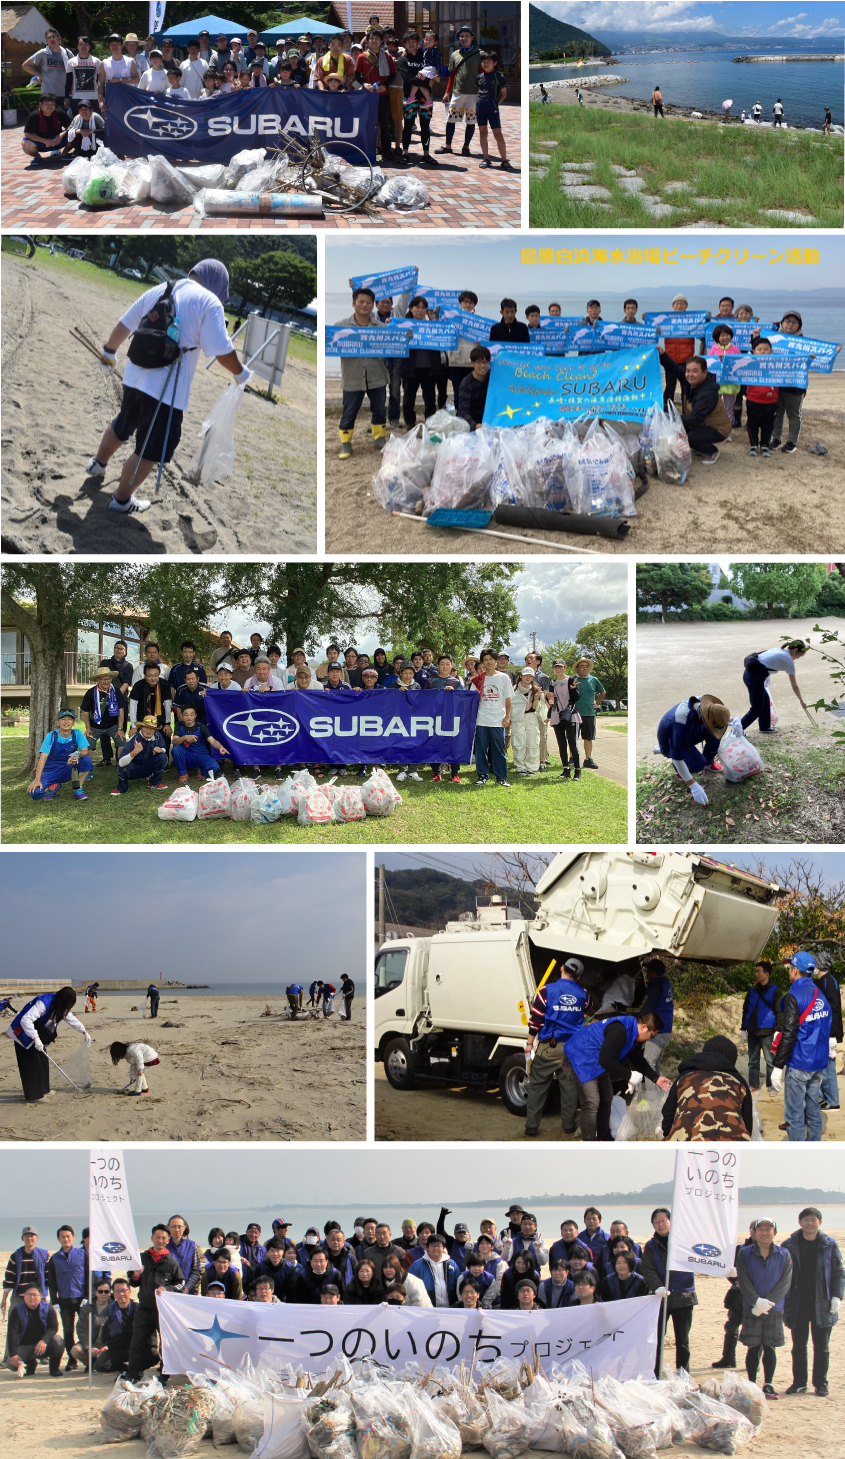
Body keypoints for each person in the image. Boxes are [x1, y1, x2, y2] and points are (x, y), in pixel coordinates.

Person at [89, 261, 250, 515]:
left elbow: (126, 323)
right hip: (164, 392)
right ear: (217, 285)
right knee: (149, 449)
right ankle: (121, 500)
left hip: (133, 376)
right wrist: (241, 373)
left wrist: (109, 352)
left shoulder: (162, 287)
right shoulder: (209, 302)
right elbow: (221, 350)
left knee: (123, 424)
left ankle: (98, 464)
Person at [565, 1011, 671, 1142]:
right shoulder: (620, 1031)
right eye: (651, 1035)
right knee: (591, 1102)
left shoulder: (634, 1034)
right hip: (580, 1056)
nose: (649, 1039)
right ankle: (590, 1142)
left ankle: (604, 1136)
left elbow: (637, 1058)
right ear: (644, 1027)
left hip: (597, 1059)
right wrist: (629, 1075)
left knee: (607, 1097)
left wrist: (656, 1078)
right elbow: (606, 1060)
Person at [782, 1206, 844, 1396]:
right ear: (800, 1222)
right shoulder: (789, 1245)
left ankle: (820, 1383)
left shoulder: (829, 1244)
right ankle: (799, 1382)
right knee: (798, 1346)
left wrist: (837, 1296)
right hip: (798, 1303)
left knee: (822, 1347)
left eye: (813, 1219)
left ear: (820, 1222)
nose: (809, 1223)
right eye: (806, 1220)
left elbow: (838, 1272)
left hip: (822, 1304)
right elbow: (781, 1274)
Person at [524, 958, 590, 1139]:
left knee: (537, 1086)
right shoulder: (583, 994)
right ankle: (568, 1126)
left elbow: (536, 1020)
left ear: (561, 968)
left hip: (549, 1048)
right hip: (572, 1049)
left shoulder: (545, 991)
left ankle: (531, 1126)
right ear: (578, 977)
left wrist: (529, 1044)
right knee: (569, 1087)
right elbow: (589, 1006)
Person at [772, 951, 833, 1142]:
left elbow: (789, 1034)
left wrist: (777, 1067)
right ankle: (813, 1151)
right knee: (813, 1109)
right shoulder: (819, 993)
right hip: (817, 1062)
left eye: (790, 968)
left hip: (799, 1063)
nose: (789, 971)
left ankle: (797, 1155)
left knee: (795, 1115)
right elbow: (825, 1023)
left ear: (795, 971)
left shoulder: (793, 996)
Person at [734, 1217, 792, 1397]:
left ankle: (768, 1384)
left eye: (768, 1229)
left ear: (774, 1232)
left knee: (770, 1347)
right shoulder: (744, 1253)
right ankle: (752, 1383)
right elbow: (742, 1279)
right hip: (751, 1307)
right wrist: (756, 1301)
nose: (764, 1233)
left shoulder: (784, 1254)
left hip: (774, 1309)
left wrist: (768, 1303)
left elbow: (785, 1281)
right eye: (760, 1229)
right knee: (753, 1346)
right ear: (754, 1232)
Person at [6, 987, 90, 1104]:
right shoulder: (44, 1003)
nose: (68, 1007)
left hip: (36, 1033)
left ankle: (44, 1089)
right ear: (63, 1000)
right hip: (22, 1033)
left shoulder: (60, 1005)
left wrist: (84, 1031)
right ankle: (34, 1096)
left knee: (43, 1061)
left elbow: (70, 1018)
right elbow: (26, 1020)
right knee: (32, 1064)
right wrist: (36, 1039)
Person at [662, 1035, 754, 1141]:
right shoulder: (739, 1082)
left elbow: (668, 1115)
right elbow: (748, 1124)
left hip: (686, 1145)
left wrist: (668, 1136)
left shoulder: (684, 1077)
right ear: (731, 1061)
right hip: (730, 1151)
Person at [125, 1225, 185, 1381]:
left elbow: (181, 1283)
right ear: (152, 1238)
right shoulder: (141, 1258)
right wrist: (136, 1275)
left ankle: (164, 1375)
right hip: (144, 1308)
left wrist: (167, 1289)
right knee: (137, 1341)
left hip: (163, 1311)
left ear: (168, 1240)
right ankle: (133, 1374)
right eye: (157, 1237)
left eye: (164, 1238)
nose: (160, 1240)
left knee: (165, 1344)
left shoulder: (171, 1261)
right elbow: (132, 1281)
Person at [335, 287, 389, 460]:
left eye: (368, 302)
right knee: (349, 411)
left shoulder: (382, 328)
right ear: (353, 304)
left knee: (379, 409)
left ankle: (379, 439)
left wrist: (405, 337)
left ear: (373, 306)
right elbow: (330, 345)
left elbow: (395, 344)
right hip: (352, 377)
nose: (365, 305)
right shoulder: (339, 327)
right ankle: (346, 444)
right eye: (361, 302)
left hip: (377, 376)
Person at [642, 1207, 697, 1374]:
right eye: (656, 1222)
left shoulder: (684, 1241)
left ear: (671, 1221)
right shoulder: (651, 1246)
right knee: (657, 1339)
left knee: (682, 1340)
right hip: (661, 1298)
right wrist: (657, 1286)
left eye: (663, 1220)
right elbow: (648, 1269)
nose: (660, 1224)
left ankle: (683, 1375)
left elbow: (700, 1258)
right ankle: (655, 1373)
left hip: (684, 1297)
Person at [655, 693, 732, 807]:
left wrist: (733, 721)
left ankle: (709, 762)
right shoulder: (681, 722)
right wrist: (693, 785)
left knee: (716, 733)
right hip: (671, 739)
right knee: (698, 764)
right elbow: (678, 758)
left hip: (690, 733)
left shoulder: (706, 706)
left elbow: (719, 718)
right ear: (705, 719)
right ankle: (669, 756)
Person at [740, 640, 809, 735]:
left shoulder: (779, 650)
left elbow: (765, 662)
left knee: (765, 699)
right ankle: (737, 731)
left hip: (748, 674)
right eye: (800, 656)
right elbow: (794, 686)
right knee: (756, 709)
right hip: (755, 678)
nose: (798, 658)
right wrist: (801, 701)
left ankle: (764, 727)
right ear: (796, 650)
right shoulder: (789, 661)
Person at [26, 708, 92, 803]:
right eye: (63, 719)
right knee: (34, 792)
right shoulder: (51, 736)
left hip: (68, 767)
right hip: (51, 770)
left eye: (69, 719)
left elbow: (85, 751)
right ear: (58, 722)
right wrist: (37, 780)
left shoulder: (77, 733)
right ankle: (53, 787)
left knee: (87, 760)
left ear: (73, 722)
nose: (66, 722)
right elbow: (42, 759)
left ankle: (77, 788)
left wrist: (77, 754)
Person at [46, 1226, 87, 1370]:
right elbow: (51, 1281)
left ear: (73, 1237)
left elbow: (89, 1276)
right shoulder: (54, 1259)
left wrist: (87, 1296)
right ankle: (71, 1360)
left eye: (68, 1236)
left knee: (85, 1329)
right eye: (62, 1237)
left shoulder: (82, 1254)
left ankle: (88, 1360)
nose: (66, 1239)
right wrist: (54, 1300)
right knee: (68, 1331)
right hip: (64, 1300)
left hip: (81, 1299)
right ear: (59, 1239)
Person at [401, 295, 445, 426]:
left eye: (423, 308)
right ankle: (410, 423)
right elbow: (398, 342)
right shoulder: (404, 325)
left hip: (429, 368)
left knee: (430, 399)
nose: (420, 310)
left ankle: (430, 423)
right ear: (411, 308)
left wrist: (450, 328)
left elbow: (444, 338)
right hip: (410, 368)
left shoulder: (433, 326)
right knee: (409, 399)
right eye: (417, 307)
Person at [438, 25, 480, 156]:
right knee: (451, 119)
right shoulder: (455, 55)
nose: (464, 38)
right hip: (457, 92)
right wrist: (447, 92)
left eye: (467, 35)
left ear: (472, 38)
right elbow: (452, 75)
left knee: (471, 121)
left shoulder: (480, 54)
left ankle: (466, 147)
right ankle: (448, 146)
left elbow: (483, 74)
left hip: (474, 94)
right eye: (462, 36)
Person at [472, 648, 512, 787]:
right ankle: (482, 775)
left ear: (496, 661)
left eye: (491, 659)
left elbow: (508, 698)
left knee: (498, 749)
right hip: (481, 718)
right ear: (482, 662)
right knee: (481, 748)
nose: (488, 662)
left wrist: (507, 716)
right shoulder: (478, 679)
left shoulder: (503, 677)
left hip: (498, 718)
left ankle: (501, 777)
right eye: (485, 660)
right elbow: (471, 698)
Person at [7, 1284, 64, 1377]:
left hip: (44, 1345)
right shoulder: (17, 1310)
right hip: (25, 1345)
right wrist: (13, 1354)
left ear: (41, 1296)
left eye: (35, 1294)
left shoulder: (48, 1308)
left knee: (58, 1341)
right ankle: (30, 1364)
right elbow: (12, 1333)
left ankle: (54, 1368)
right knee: (11, 1365)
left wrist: (44, 1341)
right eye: (28, 1294)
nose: (32, 1297)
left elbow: (53, 1327)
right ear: (24, 1296)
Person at [397, 31, 437, 165]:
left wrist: (428, 80)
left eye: (413, 41)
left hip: (426, 98)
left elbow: (433, 70)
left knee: (425, 126)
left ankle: (426, 154)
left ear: (418, 43)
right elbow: (406, 78)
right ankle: (405, 153)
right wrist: (425, 82)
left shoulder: (425, 55)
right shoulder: (403, 59)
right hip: (409, 96)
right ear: (405, 44)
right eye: (408, 42)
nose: (411, 44)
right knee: (408, 125)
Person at [741, 960, 779, 1093]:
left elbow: (780, 1011)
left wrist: (778, 1030)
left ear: (766, 974)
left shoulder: (775, 991)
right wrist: (743, 1028)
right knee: (753, 1061)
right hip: (752, 1031)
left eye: (759, 972)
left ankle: (771, 1085)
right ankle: (753, 1084)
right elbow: (746, 1009)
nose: (756, 974)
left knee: (770, 1061)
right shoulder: (752, 990)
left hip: (768, 1031)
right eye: (755, 971)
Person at [657, 294, 697, 409]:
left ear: (686, 306)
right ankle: (666, 412)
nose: (679, 306)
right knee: (670, 387)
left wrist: (707, 318)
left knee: (686, 387)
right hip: (670, 359)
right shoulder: (666, 320)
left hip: (686, 359)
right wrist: (647, 319)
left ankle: (687, 412)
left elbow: (703, 331)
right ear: (673, 306)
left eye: (682, 303)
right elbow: (656, 330)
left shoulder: (692, 320)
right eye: (677, 303)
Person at [2, 1228, 49, 1322]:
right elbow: (9, 1279)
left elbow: (48, 1278)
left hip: (37, 1296)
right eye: (26, 1236)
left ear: (37, 1237)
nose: (29, 1238)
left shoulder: (44, 1255)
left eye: (32, 1236)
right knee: (14, 1323)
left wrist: (46, 1297)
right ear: (22, 1239)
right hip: (19, 1296)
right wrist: (4, 1300)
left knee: (40, 1324)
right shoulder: (15, 1256)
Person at [81, 667, 125, 765]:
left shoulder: (116, 692)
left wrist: (120, 728)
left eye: (108, 678)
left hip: (113, 725)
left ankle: (121, 767)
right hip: (95, 726)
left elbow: (121, 710)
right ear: (98, 680)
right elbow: (85, 711)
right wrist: (88, 728)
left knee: (122, 742)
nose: (106, 681)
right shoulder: (91, 693)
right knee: (87, 745)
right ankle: (88, 770)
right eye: (103, 679)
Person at [547, 660, 582, 782]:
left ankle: (577, 771)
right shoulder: (552, 683)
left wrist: (573, 689)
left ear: (565, 668)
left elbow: (576, 698)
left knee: (573, 744)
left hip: (570, 714)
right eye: (555, 667)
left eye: (560, 667)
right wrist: (548, 697)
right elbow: (552, 702)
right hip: (557, 715)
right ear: (553, 669)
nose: (558, 670)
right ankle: (565, 769)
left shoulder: (571, 680)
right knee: (561, 744)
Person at [114, 716, 168, 795]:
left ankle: (154, 782)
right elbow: (121, 763)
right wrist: (134, 752)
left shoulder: (157, 736)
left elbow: (164, 748)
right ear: (141, 727)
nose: (149, 730)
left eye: (152, 728)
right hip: (133, 770)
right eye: (146, 727)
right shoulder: (133, 739)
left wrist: (160, 750)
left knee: (163, 756)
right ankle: (122, 787)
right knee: (124, 766)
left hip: (148, 769)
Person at [638, 959, 674, 1075]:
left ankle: (651, 1093)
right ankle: (660, 1092)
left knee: (649, 1064)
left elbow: (643, 1009)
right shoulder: (666, 984)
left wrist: (624, 1009)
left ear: (653, 973)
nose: (647, 974)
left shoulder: (655, 987)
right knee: (657, 1063)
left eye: (648, 971)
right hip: (667, 1030)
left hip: (656, 1032)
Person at [814, 963, 842, 1112]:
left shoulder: (829, 981)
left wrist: (832, 1034)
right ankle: (826, 1098)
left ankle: (833, 1101)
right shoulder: (823, 980)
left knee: (829, 1067)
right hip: (824, 1030)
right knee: (824, 1066)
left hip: (828, 1031)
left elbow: (833, 1009)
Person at [745, 335, 779, 455]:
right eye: (760, 349)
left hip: (771, 401)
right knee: (752, 424)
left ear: (771, 351)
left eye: (766, 349)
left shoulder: (777, 364)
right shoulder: (749, 363)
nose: (763, 351)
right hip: (753, 400)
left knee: (768, 426)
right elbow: (731, 363)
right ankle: (753, 444)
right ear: (754, 352)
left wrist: (808, 358)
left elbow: (795, 364)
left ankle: (765, 445)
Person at [570, 657, 605, 771]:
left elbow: (602, 692)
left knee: (588, 737)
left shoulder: (594, 680)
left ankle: (588, 759)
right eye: (582, 666)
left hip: (589, 712)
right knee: (573, 737)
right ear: (577, 668)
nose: (584, 668)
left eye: (586, 666)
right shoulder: (573, 679)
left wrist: (597, 703)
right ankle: (572, 758)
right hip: (575, 712)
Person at [129, 665, 172, 756]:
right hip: (142, 720)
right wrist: (133, 725)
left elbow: (168, 704)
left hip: (159, 720)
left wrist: (167, 723)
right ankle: (138, 758)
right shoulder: (138, 685)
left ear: (159, 675)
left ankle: (163, 759)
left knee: (166, 735)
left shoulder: (164, 684)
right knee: (134, 738)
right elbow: (133, 705)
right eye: (149, 675)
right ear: (145, 676)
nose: (153, 678)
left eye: (156, 675)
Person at [409, 1234, 460, 1307]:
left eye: (439, 1245)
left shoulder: (452, 1264)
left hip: (450, 1308)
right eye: (432, 1245)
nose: (435, 1248)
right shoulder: (417, 1265)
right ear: (427, 1247)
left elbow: (458, 1284)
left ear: (443, 1248)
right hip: (427, 1309)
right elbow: (410, 1287)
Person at [23, 27, 71, 102]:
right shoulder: (43, 53)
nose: (52, 39)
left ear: (59, 38)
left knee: (64, 114)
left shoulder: (67, 53)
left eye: (54, 36)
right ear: (47, 41)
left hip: (65, 94)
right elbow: (25, 65)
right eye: (49, 37)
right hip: (48, 94)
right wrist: (40, 75)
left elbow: (74, 69)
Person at [708, 323, 741, 427]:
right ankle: (715, 428)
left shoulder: (735, 349)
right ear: (717, 337)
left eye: (727, 335)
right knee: (715, 406)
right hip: (716, 382)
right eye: (722, 335)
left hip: (730, 382)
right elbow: (709, 363)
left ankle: (727, 431)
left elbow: (739, 363)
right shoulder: (713, 349)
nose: (725, 337)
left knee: (729, 407)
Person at [22, 93, 71, 162]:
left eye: (52, 104)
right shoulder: (33, 116)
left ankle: (64, 154)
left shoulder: (60, 113)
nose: (50, 106)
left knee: (76, 135)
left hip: (58, 140)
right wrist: (44, 141)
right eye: (46, 104)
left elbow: (70, 127)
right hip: (41, 142)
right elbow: (28, 134)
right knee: (26, 144)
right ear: (40, 104)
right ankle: (38, 158)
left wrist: (61, 135)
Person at [98, 33, 140, 110]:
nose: (114, 46)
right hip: (111, 100)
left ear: (122, 45)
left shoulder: (131, 61)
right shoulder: (104, 63)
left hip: (128, 99)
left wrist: (119, 79)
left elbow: (137, 80)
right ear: (109, 46)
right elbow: (100, 82)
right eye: (112, 44)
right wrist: (100, 100)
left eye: (117, 44)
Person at [457, 345, 491, 430]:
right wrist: (474, 425)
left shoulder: (492, 377)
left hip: (490, 422)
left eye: (486, 362)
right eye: (479, 362)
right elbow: (463, 411)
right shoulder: (466, 384)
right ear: (472, 363)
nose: (483, 365)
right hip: (473, 425)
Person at [66, 36, 101, 116]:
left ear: (89, 46)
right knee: (78, 120)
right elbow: (68, 80)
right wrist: (66, 97)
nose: (83, 46)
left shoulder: (97, 61)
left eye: (86, 44)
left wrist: (102, 96)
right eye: (81, 44)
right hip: (77, 97)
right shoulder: (71, 62)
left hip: (94, 97)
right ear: (77, 46)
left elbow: (100, 81)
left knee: (96, 120)